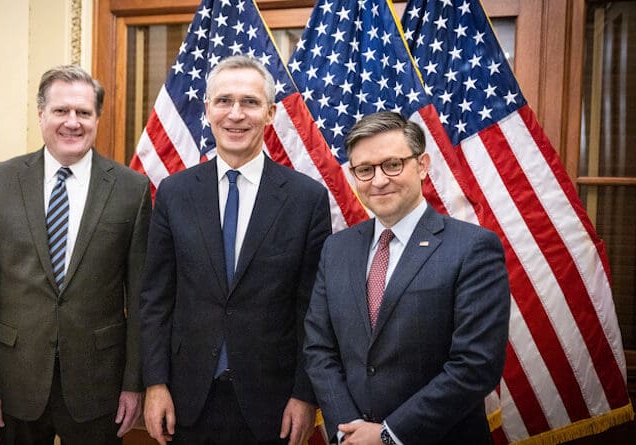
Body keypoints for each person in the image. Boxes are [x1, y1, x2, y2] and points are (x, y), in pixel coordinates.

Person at [139, 55, 332, 445]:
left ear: (271, 113)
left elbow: (311, 309)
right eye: (224, 101)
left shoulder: (306, 199)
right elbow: (156, 300)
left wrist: (304, 394)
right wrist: (155, 383)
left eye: (250, 102)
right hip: (186, 400)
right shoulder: (175, 194)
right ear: (207, 110)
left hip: (273, 405)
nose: (236, 114)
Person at [0, 65, 151, 444]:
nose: (72, 122)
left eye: (84, 112)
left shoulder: (132, 189)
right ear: (41, 114)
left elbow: (142, 298)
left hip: (99, 387)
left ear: (97, 118)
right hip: (14, 382)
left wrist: (134, 384)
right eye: (61, 111)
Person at [304, 112, 510, 445]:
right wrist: (348, 430)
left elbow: (476, 364)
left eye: (392, 164)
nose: (379, 180)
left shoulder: (473, 248)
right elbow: (318, 349)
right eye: (365, 170)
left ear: (422, 165)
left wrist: (389, 435)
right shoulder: (336, 248)